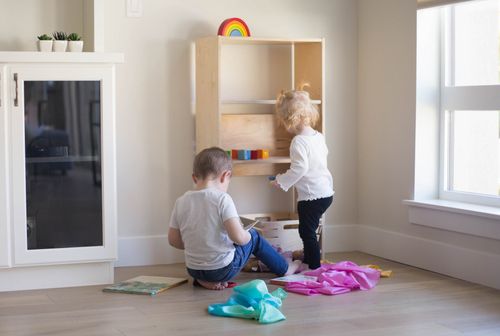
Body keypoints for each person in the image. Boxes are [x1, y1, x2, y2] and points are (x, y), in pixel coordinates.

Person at [168, 147, 301, 290]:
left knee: (219, 249)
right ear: (225, 176)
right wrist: (246, 235)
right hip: (222, 269)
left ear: (194, 177)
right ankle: (285, 268)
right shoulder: (222, 199)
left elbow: (174, 240)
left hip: (193, 269)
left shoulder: (181, 201)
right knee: (254, 237)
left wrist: (197, 244)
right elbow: (239, 238)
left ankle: (204, 280)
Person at [271, 86, 334, 270]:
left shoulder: (298, 141)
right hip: (326, 192)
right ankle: (309, 259)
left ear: (290, 118)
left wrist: (281, 180)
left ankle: (312, 266)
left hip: (311, 196)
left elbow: (300, 168)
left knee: (306, 232)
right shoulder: (318, 137)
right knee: (310, 230)